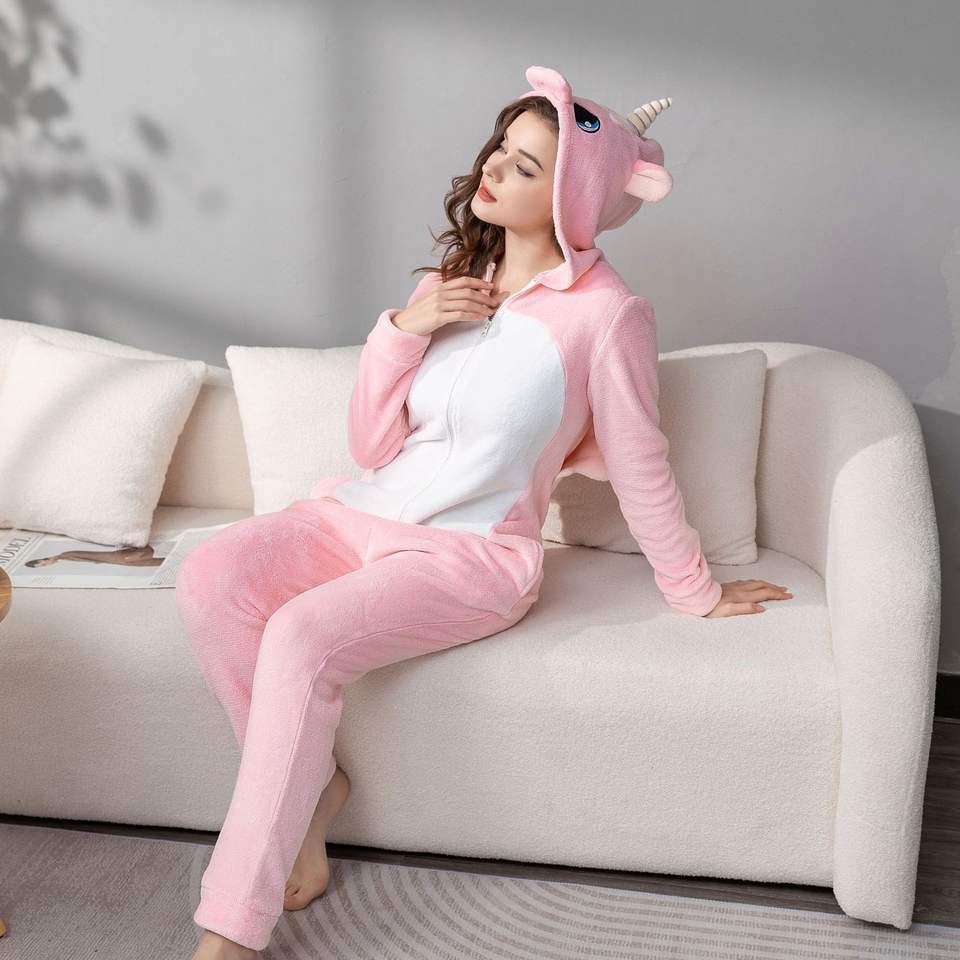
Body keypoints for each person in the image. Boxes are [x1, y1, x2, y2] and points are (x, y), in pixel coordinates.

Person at [177, 63, 793, 959]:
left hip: (470, 558)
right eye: (501, 148)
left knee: (300, 637)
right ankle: (311, 801)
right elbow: (372, 447)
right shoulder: (451, 280)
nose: (494, 169)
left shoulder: (609, 317)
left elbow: (640, 462)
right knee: (209, 576)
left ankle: (230, 931)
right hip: (360, 514)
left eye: (526, 164)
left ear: (570, 202)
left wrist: (695, 588)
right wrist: (406, 328)